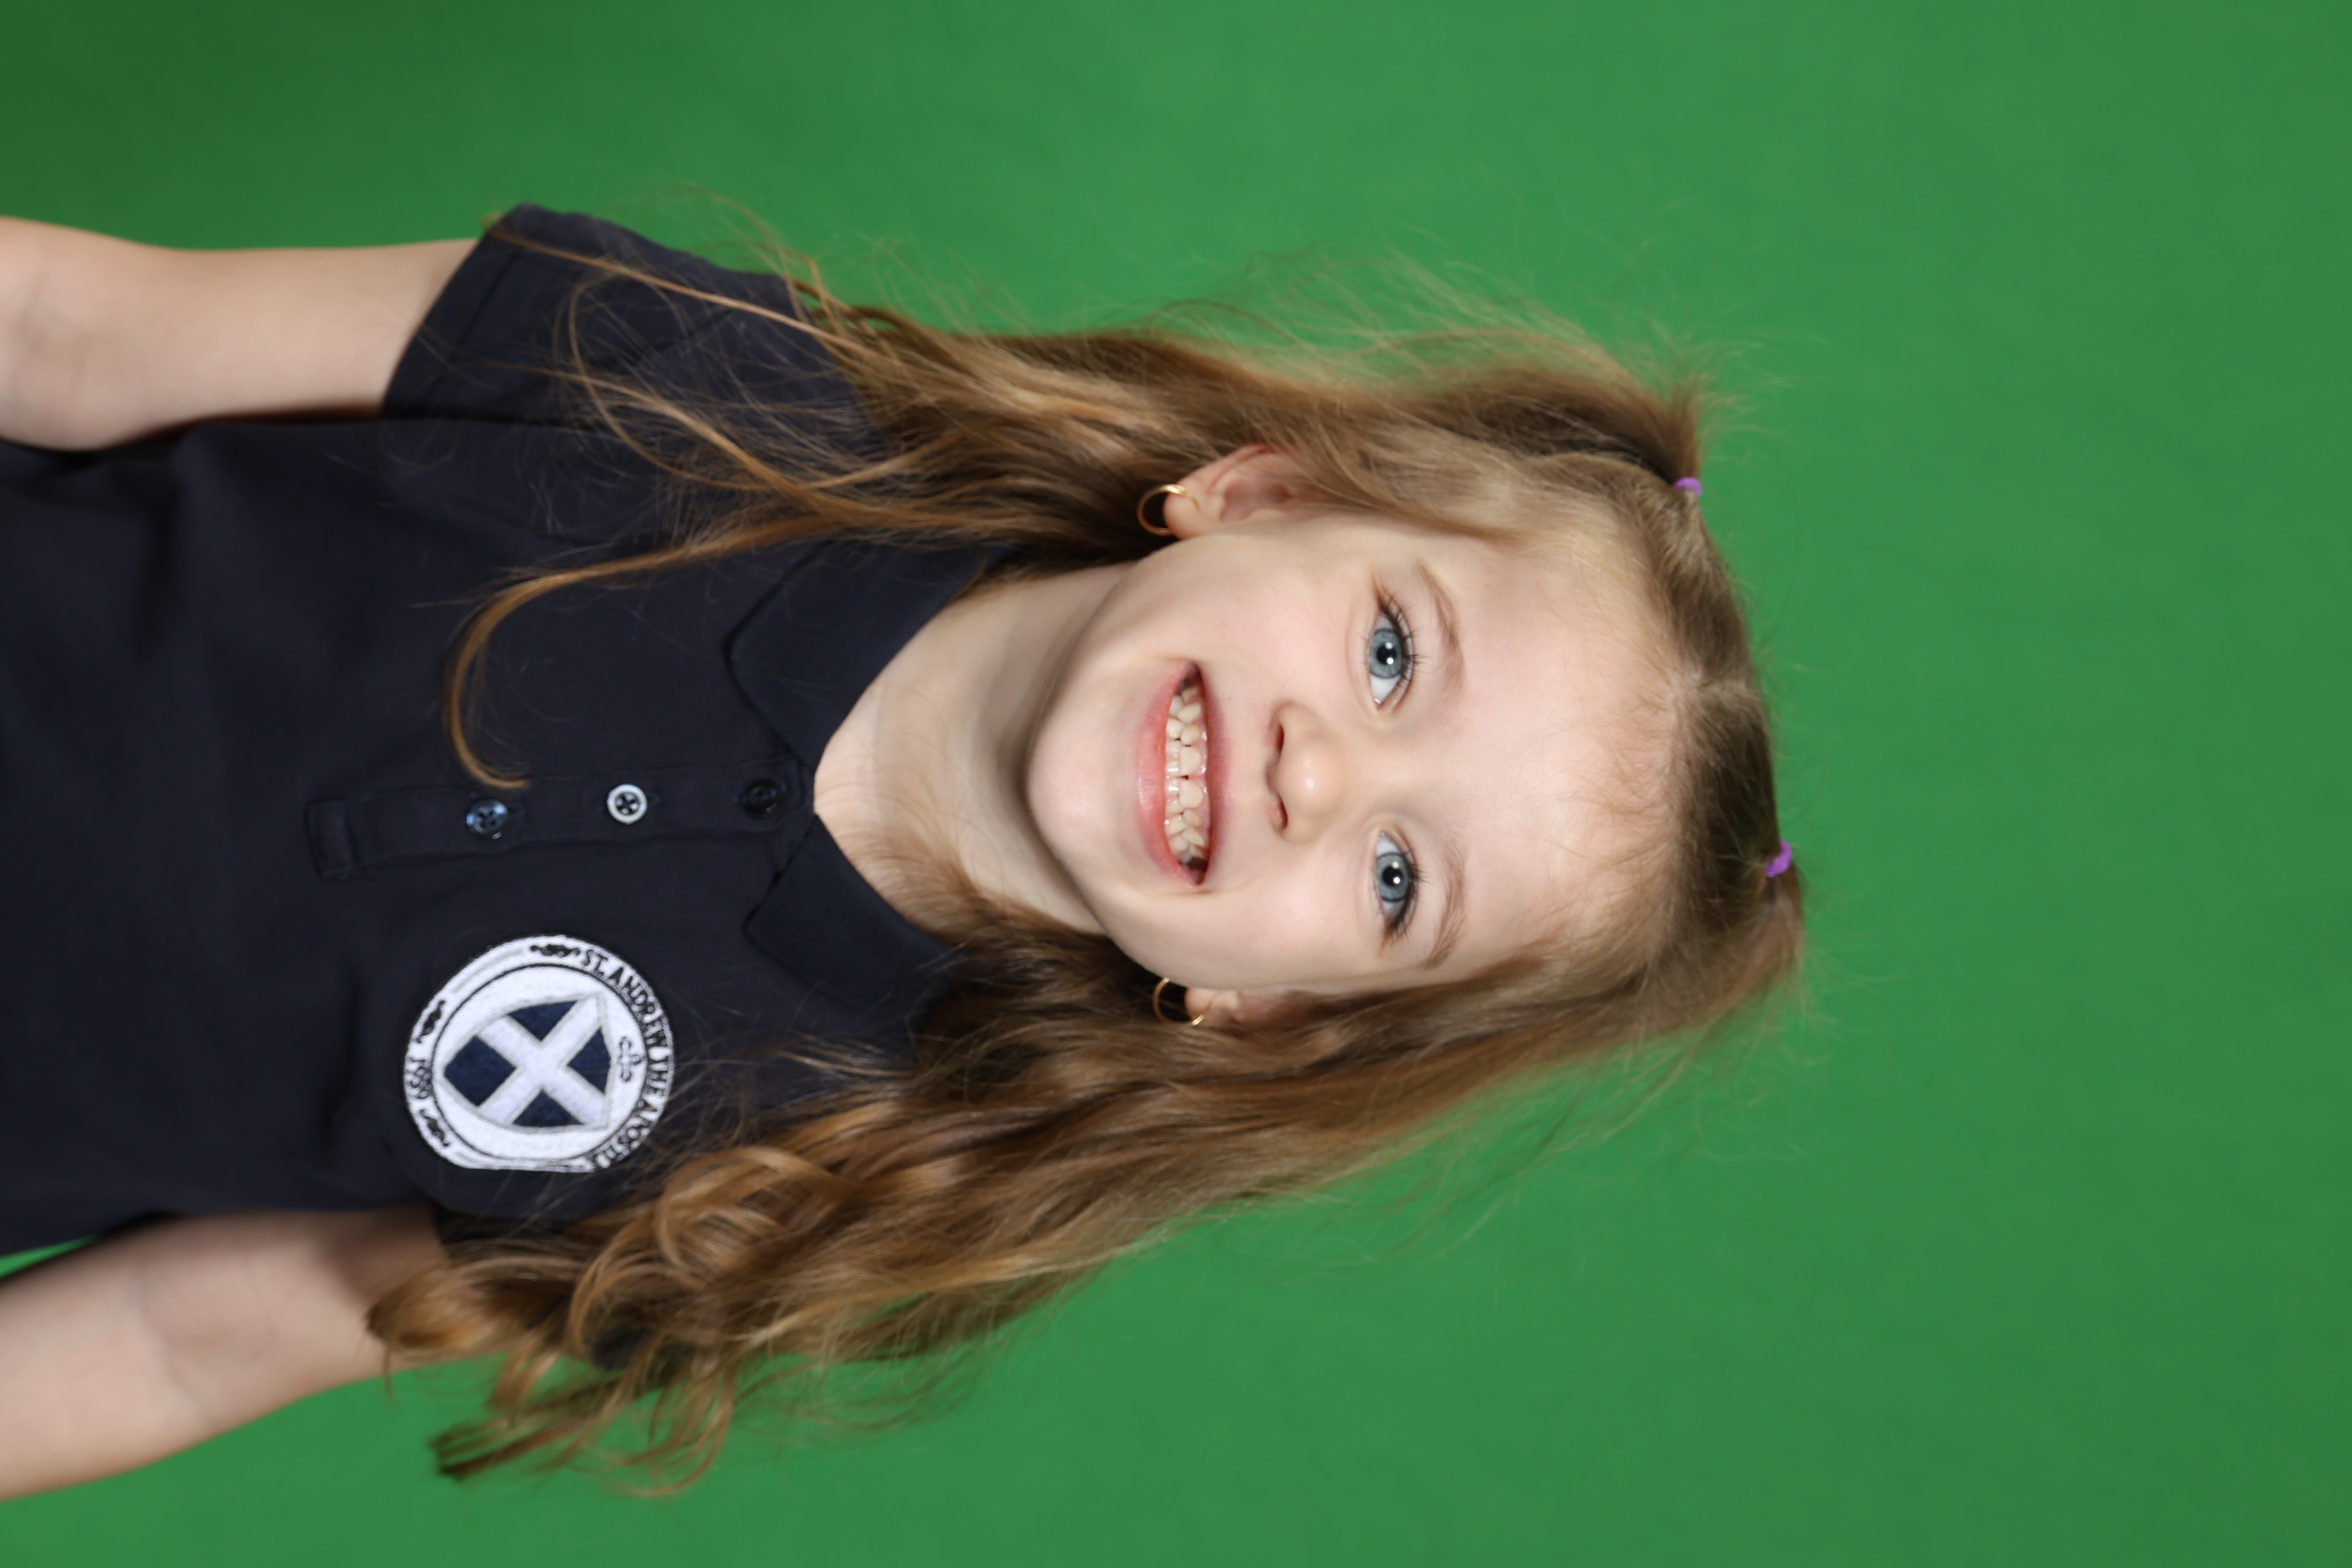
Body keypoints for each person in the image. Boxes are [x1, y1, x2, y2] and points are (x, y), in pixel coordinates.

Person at [0, 205, 1801, 1494]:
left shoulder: (809, 1169)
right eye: (1393, 652)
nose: (1315, 770)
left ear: (1269, 1012)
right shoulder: (713, 386)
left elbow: (183, 1336)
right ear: (1262, 494)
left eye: (1399, 881)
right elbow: (62, 329)